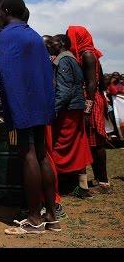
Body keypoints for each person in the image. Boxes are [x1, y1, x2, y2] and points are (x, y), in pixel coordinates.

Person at [0, 0, 58, 234]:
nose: (0, 15)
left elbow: (6, 71)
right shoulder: (34, 34)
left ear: (8, 11)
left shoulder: (8, 35)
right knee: (42, 155)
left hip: (22, 101)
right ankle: (51, 216)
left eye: (1, 11)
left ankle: (34, 218)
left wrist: (9, 106)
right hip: (41, 100)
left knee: (28, 155)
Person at [45, 34, 93, 199]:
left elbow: (64, 91)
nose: (50, 45)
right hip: (74, 108)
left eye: (53, 42)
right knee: (76, 146)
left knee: (60, 146)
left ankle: (56, 184)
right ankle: (80, 185)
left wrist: (53, 110)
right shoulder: (69, 59)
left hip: (68, 110)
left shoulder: (64, 60)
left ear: (62, 44)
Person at [67, 25, 112, 194]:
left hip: (90, 100)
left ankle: (103, 182)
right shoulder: (88, 54)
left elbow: (92, 84)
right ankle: (97, 180)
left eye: (70, 36)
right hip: (91, 99)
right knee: (90, 142)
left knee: (97, 143)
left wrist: (87, 109)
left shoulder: (87, 55)